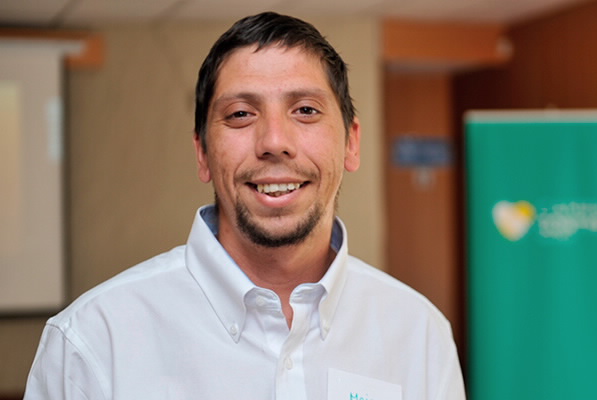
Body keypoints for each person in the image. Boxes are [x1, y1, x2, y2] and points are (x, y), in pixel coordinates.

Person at [24, 12, 465, 400]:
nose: (274, 141)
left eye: (305, 110)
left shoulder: (419, 335)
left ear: (351, 142)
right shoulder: (91, 342)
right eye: (240, 114)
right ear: (202, 153)